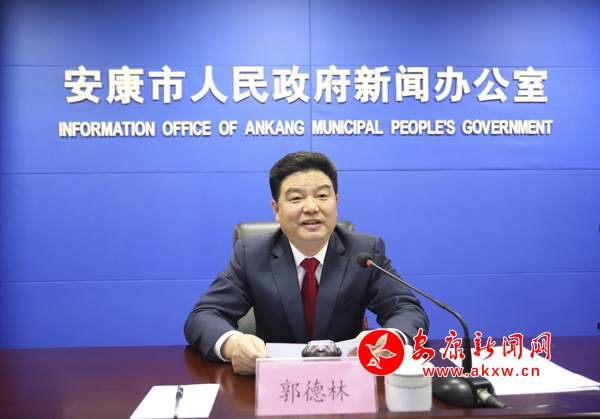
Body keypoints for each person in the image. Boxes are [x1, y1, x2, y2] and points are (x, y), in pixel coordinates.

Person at [184, 151, 429, 374]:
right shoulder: (251, 255)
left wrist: (389, 340)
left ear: (336, 202)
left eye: (322, 196)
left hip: (347, 381)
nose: (311, 207)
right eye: (296, 198)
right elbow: (203, 316)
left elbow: (406, 310)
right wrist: (233, 344)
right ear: (276, 209)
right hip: (274, 382)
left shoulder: (365, 253)